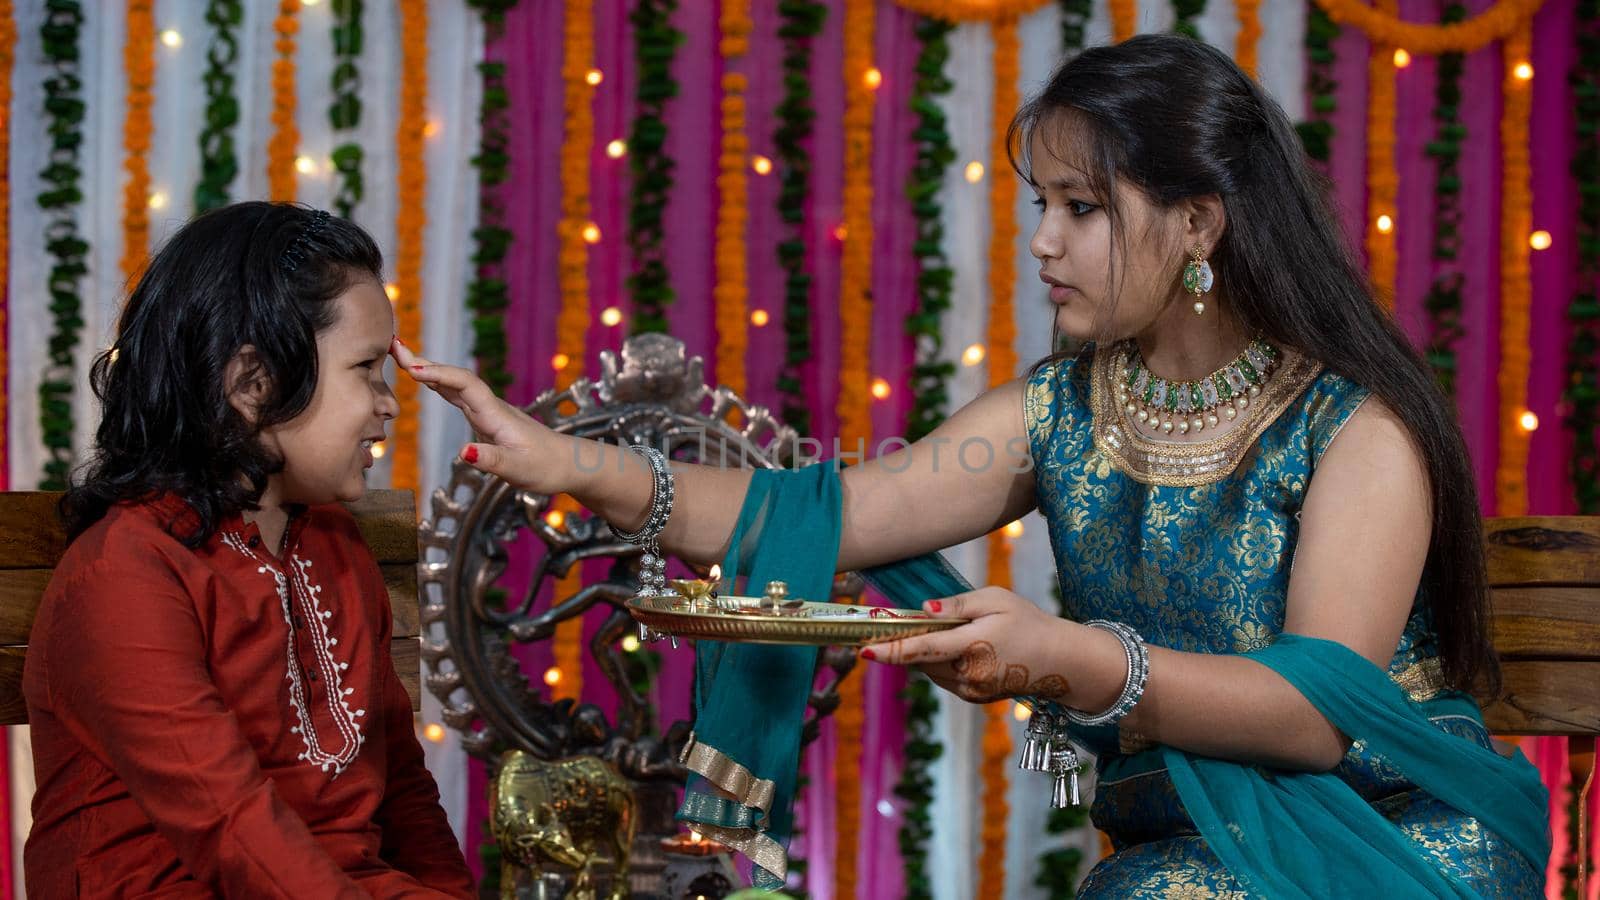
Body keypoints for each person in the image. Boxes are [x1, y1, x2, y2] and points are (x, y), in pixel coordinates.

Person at [394, 35, 1545, 896]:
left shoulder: (1357, 431)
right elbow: (818, 514)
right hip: (1184, 850)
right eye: (1040, 204)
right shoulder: (1052, 414)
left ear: (1197, 225)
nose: (1041, 240)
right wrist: (566, 462)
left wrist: (1070, 659)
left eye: (1081, 208)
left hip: (1386, 836)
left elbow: (1313, 715)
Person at [26, 202, 474, 897]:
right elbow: (231, 828)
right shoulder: (124, 574)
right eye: (365, 368)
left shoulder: (335, 548)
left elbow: (406, 793)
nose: (389, 404)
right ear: (252, 383)